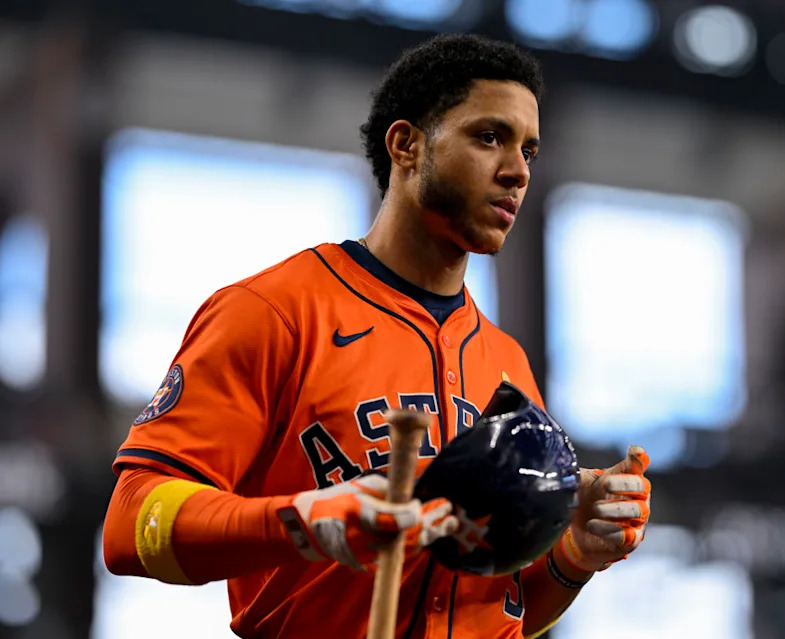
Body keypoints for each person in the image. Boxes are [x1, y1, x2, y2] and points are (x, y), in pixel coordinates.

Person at [102, 33, 652, 638]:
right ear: (406, 144)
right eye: (489, 137)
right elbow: (129, 528)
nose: (518, 171)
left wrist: (575, 554)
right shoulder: (273, 311)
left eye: (530, 149)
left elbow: (504, 609)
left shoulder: (507, 361)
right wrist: (301, 522)